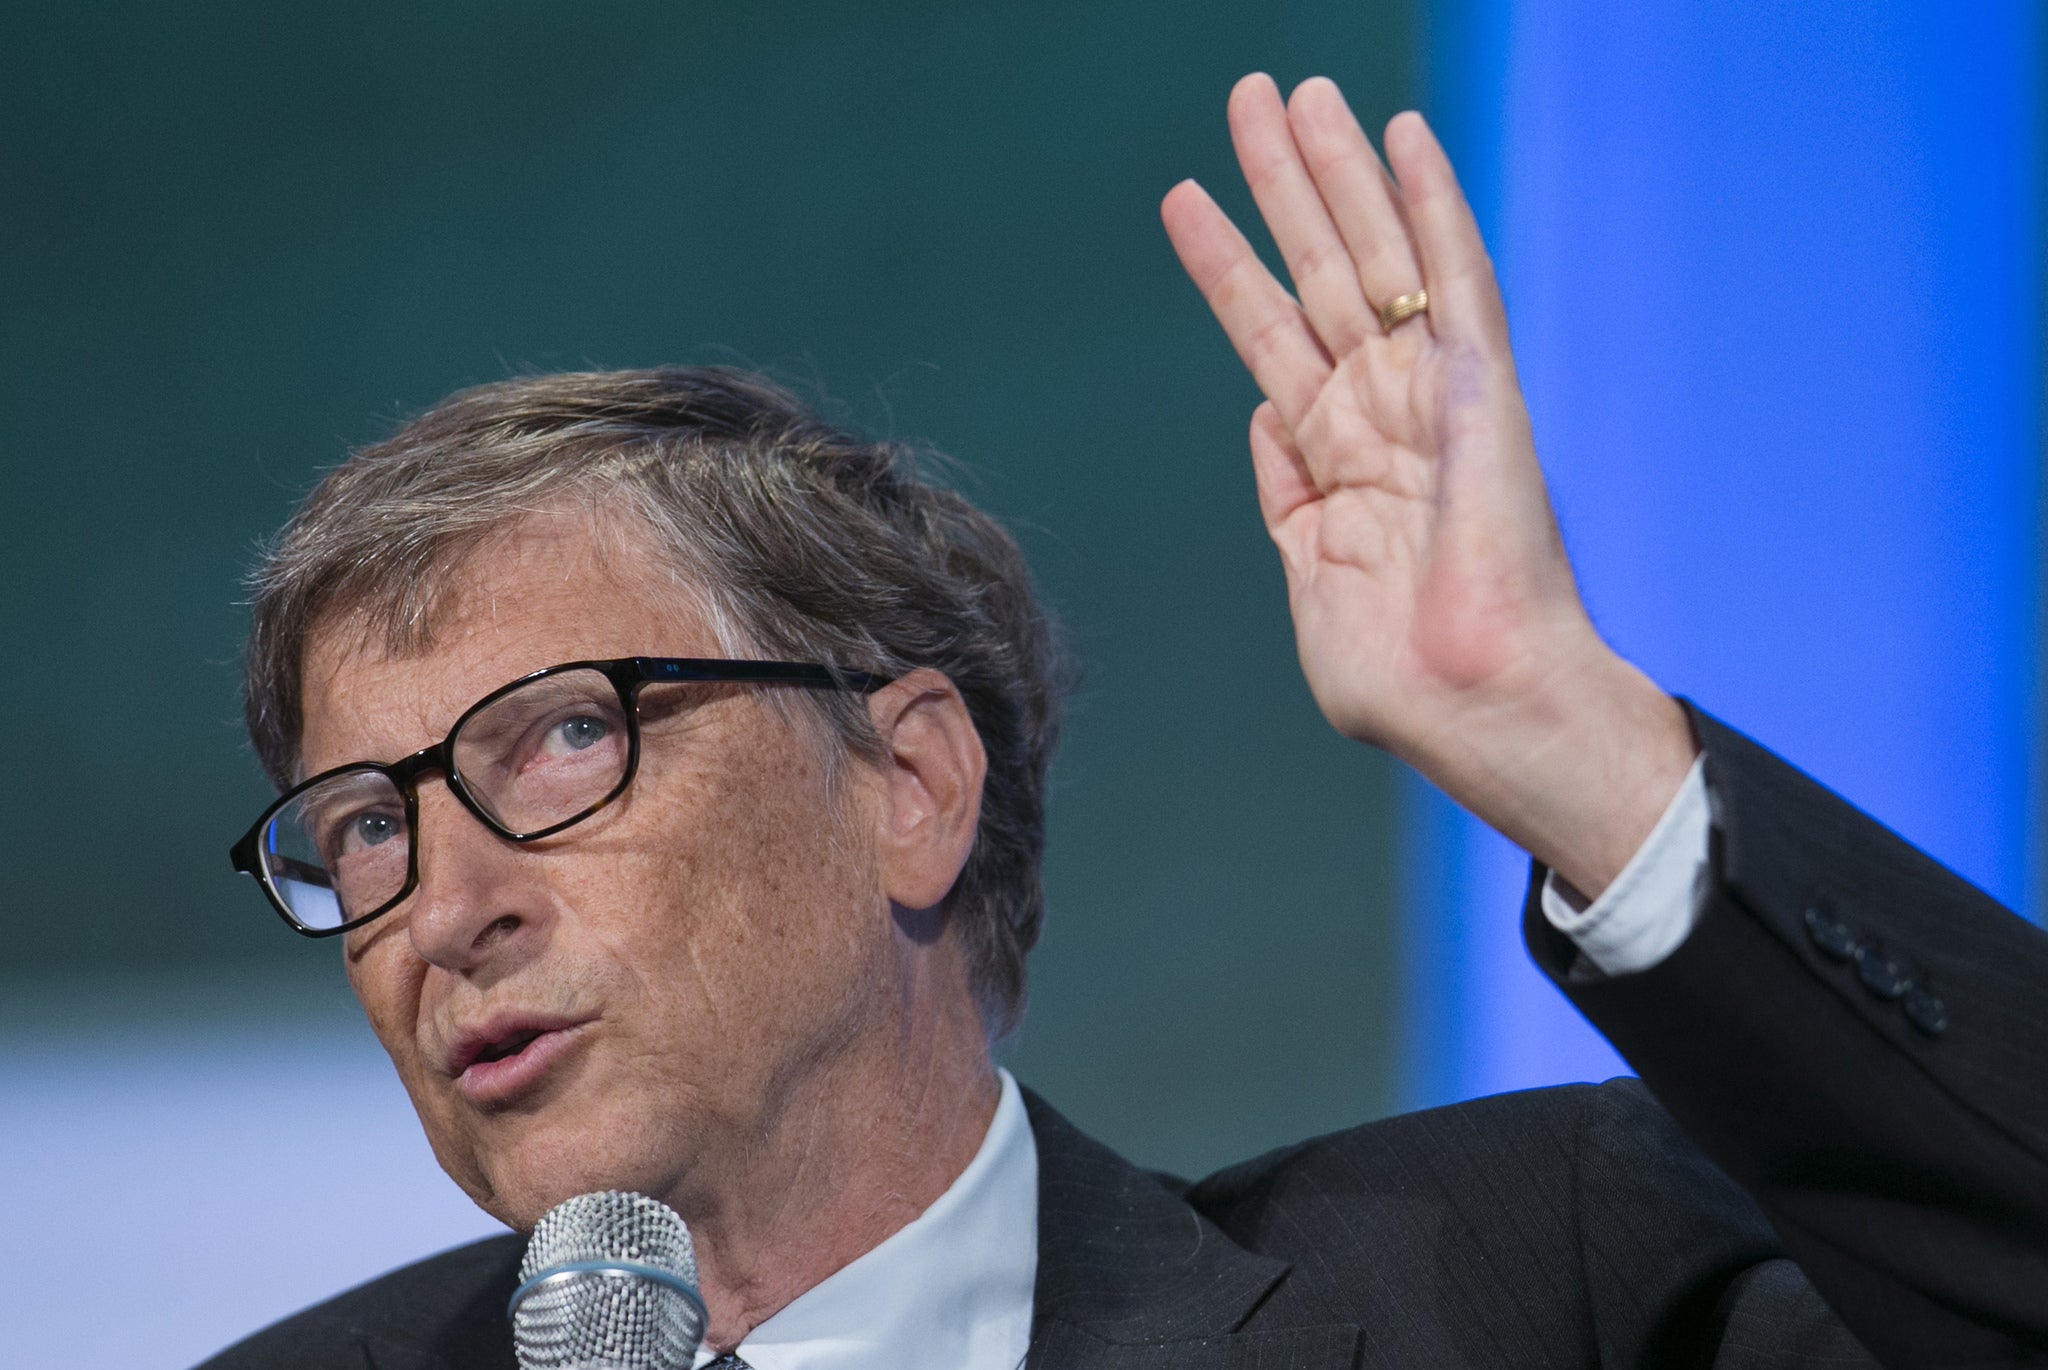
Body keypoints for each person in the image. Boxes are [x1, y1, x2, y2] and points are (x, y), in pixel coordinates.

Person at [199, 74, 2048, 1369]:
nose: (441, 908)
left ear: (909, 785)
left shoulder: (1528, 1280)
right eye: (365, 823)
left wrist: (1564, 734)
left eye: (556, 740)